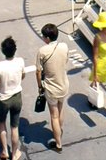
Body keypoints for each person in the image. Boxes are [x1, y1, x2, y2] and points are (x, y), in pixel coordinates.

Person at [0, 36, 26, 160]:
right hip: (17, 97)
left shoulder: (0, 66)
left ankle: (5, 151)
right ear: (15, 50)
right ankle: (15, 153)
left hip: (4, 99)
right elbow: (23, 75)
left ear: (3, 51)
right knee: (14, 127)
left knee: (2, 123)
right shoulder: (20, 61)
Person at [36, 22, 70, 152]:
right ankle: (59, 131)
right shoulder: (64, 46)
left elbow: (38, 71)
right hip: (64, 84)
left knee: (54, 115)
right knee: (61, 110)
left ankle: (58, 143)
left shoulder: (42, 51)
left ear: (47, 38)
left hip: (51, 88)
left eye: (43, 36)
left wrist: (40, 86)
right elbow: (65, 60)